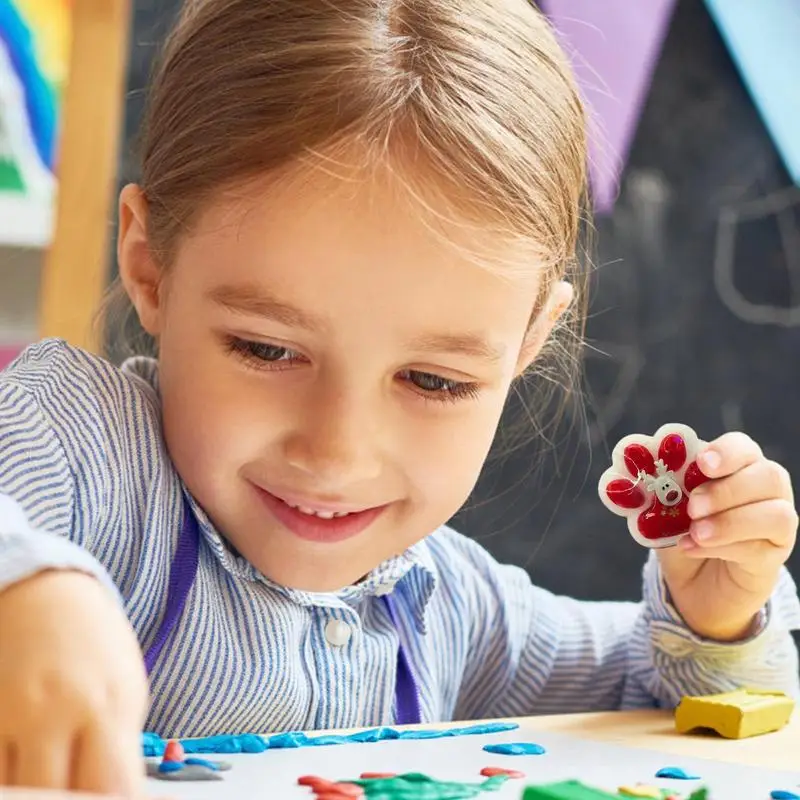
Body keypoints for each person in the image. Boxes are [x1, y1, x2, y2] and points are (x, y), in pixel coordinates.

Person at [0, 0, 798, 796]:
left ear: (527, 339)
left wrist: (716, 618)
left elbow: (655, 696)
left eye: (434, 381)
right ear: (148, 268)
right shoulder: (81, 448)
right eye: (267, 349)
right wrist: (28, 588)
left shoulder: (447, 606)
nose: (337, 451)